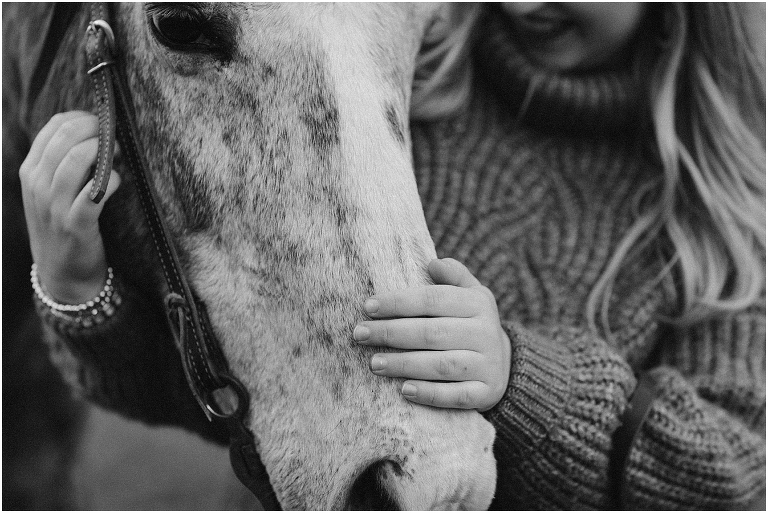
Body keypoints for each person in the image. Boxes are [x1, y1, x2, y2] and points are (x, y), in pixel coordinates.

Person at [16, 2, 765, 509]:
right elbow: (227, 392)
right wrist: (80, 285)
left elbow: (735, 471)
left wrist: (518, 381)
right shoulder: (400, 84)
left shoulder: (725, 200)